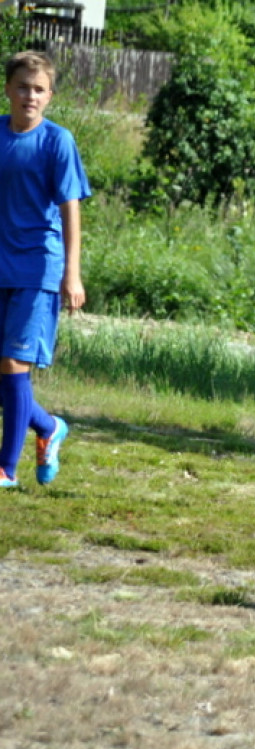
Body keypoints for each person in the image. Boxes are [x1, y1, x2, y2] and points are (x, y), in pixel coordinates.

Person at [0, 51, 90, 488]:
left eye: (38, 89)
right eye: (22, 87)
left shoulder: (58, 141)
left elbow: (70, 208)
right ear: (8, 90)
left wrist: (71, 273)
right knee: (2, 375)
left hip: (37, 268)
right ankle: (50, 427)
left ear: (50, 95)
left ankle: (5, 469)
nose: (29, 96)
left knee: (15, 363)